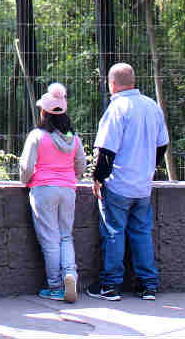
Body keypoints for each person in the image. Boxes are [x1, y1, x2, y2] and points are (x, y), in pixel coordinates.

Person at [87, 62, 169, 302]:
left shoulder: (117, 108)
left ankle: (110, 285)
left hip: (118, 185)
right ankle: (148, 286)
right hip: (143, 186)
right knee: (142, 233)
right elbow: (162, 145)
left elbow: (105, 151)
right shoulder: (152, 106)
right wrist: (148, 168)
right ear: (133, 81)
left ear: (111, 84)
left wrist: (97, 179)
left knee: (114, 232)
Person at [19, 82, 86, 303]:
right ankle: (70, 274)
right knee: (66, 236)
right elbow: (81, 166)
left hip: (43, 189)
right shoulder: (74, 138)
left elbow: (27, 167)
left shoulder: (37, 136)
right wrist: (69, 179)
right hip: (68, 190)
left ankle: (56, 286)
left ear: (44, 112)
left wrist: (25, 181)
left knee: (50, 240)